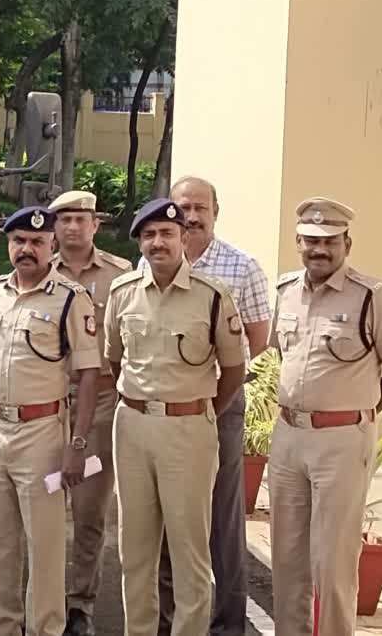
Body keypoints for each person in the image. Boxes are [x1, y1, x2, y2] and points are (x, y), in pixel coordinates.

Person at [0, 206, 100, 636]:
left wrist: (77, 445)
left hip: (43, 434)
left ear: (51, 246)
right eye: (18, 241)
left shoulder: (70, 298)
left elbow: (90, 374)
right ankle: (5, 626)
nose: (26, 250)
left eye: (37, 242)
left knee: (45, 543)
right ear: (9, 245)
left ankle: (45, 630)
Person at [269, 197, 382, 635]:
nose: (320, 249)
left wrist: (358, 414)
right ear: (298, 242)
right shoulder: (284, 291)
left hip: (342, 442)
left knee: (332, 563)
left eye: (330, 241)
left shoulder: (372, 295)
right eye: (311, 241)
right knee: (286, 560)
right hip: (288, 437)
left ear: (346, 242)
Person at [105, 198, 246, 636]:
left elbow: (234, 369)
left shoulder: (212, 297)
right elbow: (115, 360)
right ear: (141, 243)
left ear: (185, 239)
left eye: (167, 233)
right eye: (148, 235)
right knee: (136, 549)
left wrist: (200, 409)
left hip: (189, 431)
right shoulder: (121, 293)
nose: (157, 242)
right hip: (132, 427)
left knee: (189, 551)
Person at [141, 177, 271, 636]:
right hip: (161, 412)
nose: (191, 216)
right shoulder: (152, 259)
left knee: (222, 516)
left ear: (216, 212)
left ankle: (227, 625)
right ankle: (169, 621)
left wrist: (212, 398)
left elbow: (255, 342)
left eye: (200, 207)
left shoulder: (242, 267)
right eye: (183, 207)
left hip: (221, 404)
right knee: (163, 519)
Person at [46, 190, 132, 636]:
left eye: (81, 218)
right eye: (64, 219)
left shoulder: (121, 276)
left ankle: (80, 605)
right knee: (40, 509)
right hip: (45, 409)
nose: (73, 226)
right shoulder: (38, 271)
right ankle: (42, 601)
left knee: (89, 512)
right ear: (54, 227)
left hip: (98, 407)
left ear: (95, 225)